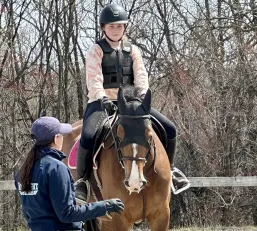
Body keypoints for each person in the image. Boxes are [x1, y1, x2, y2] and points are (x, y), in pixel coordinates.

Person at [74, 3, 190, 203]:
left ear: (124, 28)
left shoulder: (132, 50)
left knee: (170, 129)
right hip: (102, 102)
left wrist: (142, 97)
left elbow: (141, 76)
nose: (116, 30)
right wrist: (102, 97)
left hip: (132, 104)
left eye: (119, 26)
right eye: (112, 26)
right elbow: (93, 78)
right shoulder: (96, 50)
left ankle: (171, 172)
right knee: (88, 135)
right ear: (104, 28)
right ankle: (82, 182)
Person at [15, 116, 125, 231]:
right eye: (61, 135)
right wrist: (104, 206)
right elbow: (67, 213)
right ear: (55, 138)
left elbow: (34, 208)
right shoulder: (56, 168)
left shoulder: (23, 171)